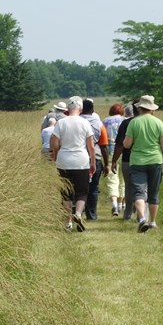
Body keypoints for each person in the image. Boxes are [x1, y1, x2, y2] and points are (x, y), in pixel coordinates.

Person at [123, 94, 163, 233]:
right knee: (153, 192)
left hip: (137, 161)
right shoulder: (159, 123)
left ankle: (142, 219)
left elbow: (127, 144)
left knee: (139, 192)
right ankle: (152, 222)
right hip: (156, 160)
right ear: (151, 109)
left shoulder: (134, 122)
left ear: (139, 108)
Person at [49, 95, 96, 231]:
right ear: (80, 109)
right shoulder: (85, 123)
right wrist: (93, 162)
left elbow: (55, 144)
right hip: (81, 161)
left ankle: (68, 222)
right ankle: (78, 213)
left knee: (66, 193)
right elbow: (91, 146)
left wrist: (55, 156)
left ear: (67, 109)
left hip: (64, 160)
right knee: (82, 192)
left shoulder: (61, 123)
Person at [79, 98, 110, 220]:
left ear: (81, 110)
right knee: (93, 188)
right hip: (95, 157)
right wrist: (106, 164)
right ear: (92, 110)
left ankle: (78, 212)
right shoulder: (99, 124)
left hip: (79, 158)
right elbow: (104, 146)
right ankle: (91, 215)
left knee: (79, 187)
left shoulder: (77, 121)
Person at [110, 102, 137, 219]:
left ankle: (128, 212)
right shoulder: (152, 122)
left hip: (128, 159)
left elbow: (120, 144)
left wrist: (114, 160)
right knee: (142, 187)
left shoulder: (125, 123)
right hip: (147, 159)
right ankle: (141, 212)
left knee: (129, 186)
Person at [102, 103, 125, 215]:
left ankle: (114, 204)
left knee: (112, 179)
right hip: (124, 152)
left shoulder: (105, 121)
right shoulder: (126, 120)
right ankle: (121, 205)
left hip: (110, 151)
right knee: (123, 179)